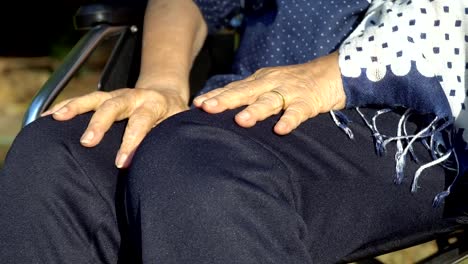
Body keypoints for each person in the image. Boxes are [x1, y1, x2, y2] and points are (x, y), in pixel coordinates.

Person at [1, 0, 467, 263]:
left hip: (410, 113)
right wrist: (163, 84)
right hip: (238, 106)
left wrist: (334, 74)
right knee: (56, 157)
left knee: (197, 170)